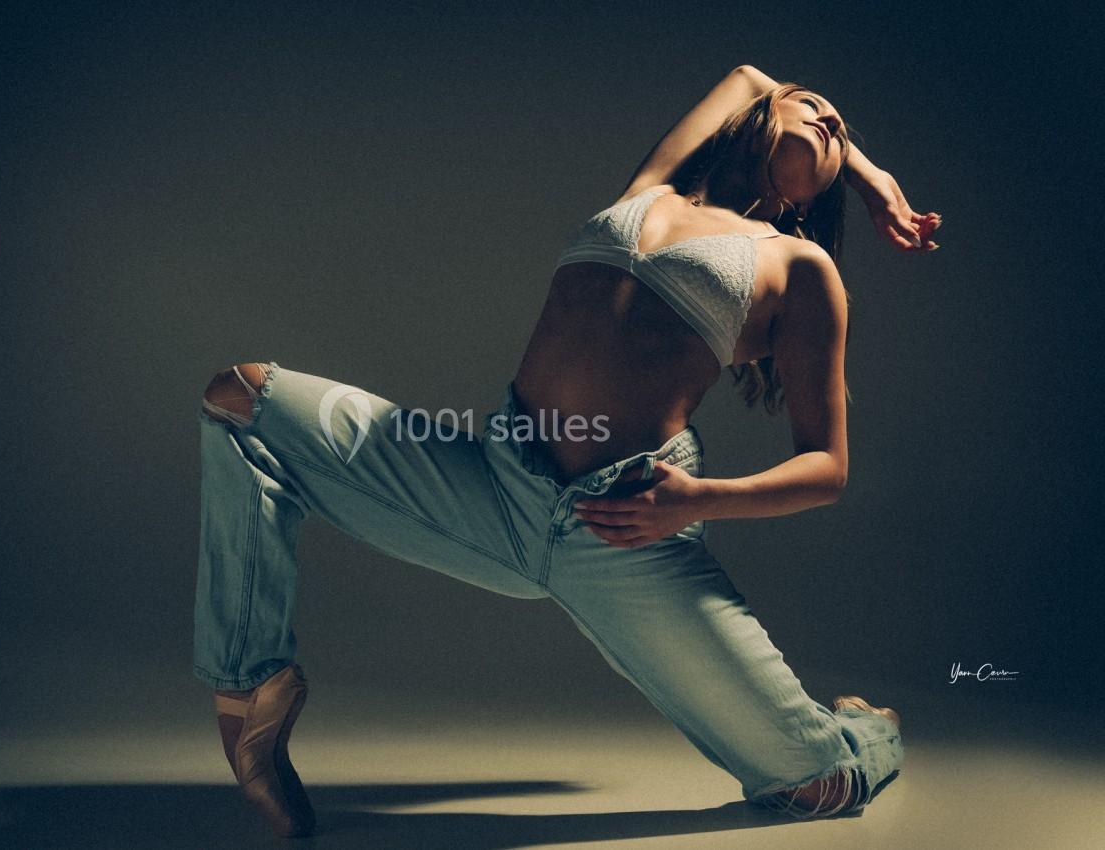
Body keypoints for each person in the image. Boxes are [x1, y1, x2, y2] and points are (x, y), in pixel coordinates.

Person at [196, 64, 940, 838]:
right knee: (242, 402)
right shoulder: (652, 189)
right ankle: (249, 692)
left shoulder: (802, 268)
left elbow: (827, 469)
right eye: (813, 106)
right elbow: (750, 76)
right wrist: (871, 176)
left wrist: (696, 501)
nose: (829, 123)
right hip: (496, 486)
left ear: (815, 197)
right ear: (761, 115)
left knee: (817, 784)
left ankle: (867, 730)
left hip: (626, 529)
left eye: (839, 134)